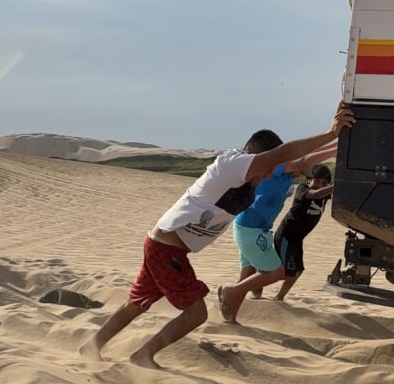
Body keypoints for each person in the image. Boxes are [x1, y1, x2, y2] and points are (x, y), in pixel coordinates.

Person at [92, 105, 354, 368]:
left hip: (162, 245)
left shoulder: (245, 175)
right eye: (267, 168)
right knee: (196, 313)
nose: (268, 175)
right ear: (256, 158)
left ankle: (90, 346)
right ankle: (143, 356)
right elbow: (287, 154)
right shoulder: (232, 165)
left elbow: (296, 161)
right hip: (166, 249)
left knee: (136, 304)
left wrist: (339, 145)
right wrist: (331, 133)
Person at [228, 141, 337, 319]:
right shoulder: (279, 171)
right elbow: (304, 160)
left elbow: (310, 157)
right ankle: (232, 291)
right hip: (253, 228)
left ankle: (230, 314)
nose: (305, 169)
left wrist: (337, 145)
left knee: (249, 273)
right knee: (275, 272)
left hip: (260, 229)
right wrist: (334, 145)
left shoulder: (288, 180)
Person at [273, 163, 334, 301]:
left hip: (297, 239)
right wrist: (338, 185)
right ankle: (253, 284)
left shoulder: (325, 194)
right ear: (308, 180)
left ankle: (279, 298)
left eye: (324, 183)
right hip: (286, 236)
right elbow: (315, 194)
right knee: (281, 273)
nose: (320, 185)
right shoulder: (303, 189)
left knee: (297, 271)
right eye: (316, 181)